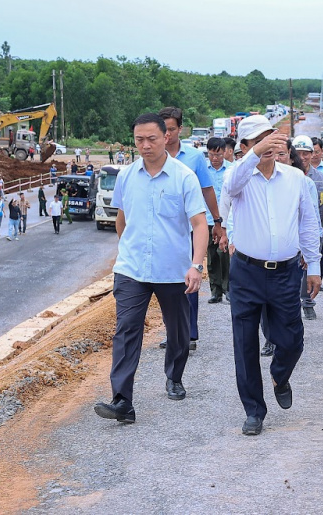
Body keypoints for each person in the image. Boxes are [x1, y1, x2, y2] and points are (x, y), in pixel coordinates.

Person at [93, 113, 208, 425]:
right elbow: (122, 218)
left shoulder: (184, 177)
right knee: (127, 330)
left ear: (166, 138)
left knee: (179, 331)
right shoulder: (127, 176)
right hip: (131, 270)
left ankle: (174, 376)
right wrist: (126, 248)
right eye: (139, 139)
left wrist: (196, 265)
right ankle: (122, 401)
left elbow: (199, 224)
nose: (145, 145)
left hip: (174, 271)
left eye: (151, 139)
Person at [223, 115, 322, 436]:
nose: (266, 147)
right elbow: (230, 185)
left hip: (285, 273)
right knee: (245, 343)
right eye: (257, 141)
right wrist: (256, 154)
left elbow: (308, 223)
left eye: (270, 140)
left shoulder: (295, 178)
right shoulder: (238, 177)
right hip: (246, 272)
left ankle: (280, 374)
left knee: (292, 340)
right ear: (245, 147)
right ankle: (254, 410)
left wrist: (314, 266)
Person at [158, 107, 226, 350]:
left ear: (180, 129)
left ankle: (189, 332)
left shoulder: (195, 157)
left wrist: (217, 222)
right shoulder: (152, 155)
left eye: (172, 129)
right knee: (165, 283)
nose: (167, 134)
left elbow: (207, 190)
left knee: (189, 278)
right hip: (163, 231)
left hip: (189, 229)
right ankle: (171, 331)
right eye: (163, 129)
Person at [294, 135, 323, 320]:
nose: (303, 157)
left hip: (314, 233)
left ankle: (308, 302)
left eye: (306, 153)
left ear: (313, 154)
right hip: (290, 234)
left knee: (310, 268)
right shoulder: (285, 177)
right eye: (299, 153)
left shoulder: (322, 179)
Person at [204, 137, 232, 304]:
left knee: (225, 255)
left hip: (226, 220)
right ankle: (215, 291)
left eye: (219, 155)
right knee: (212, 256)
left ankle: (228, 288)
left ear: (225, 153)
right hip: (207, 219)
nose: (215, 158)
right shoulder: (203, 170)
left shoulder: (231, 170)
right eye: (212, 155)